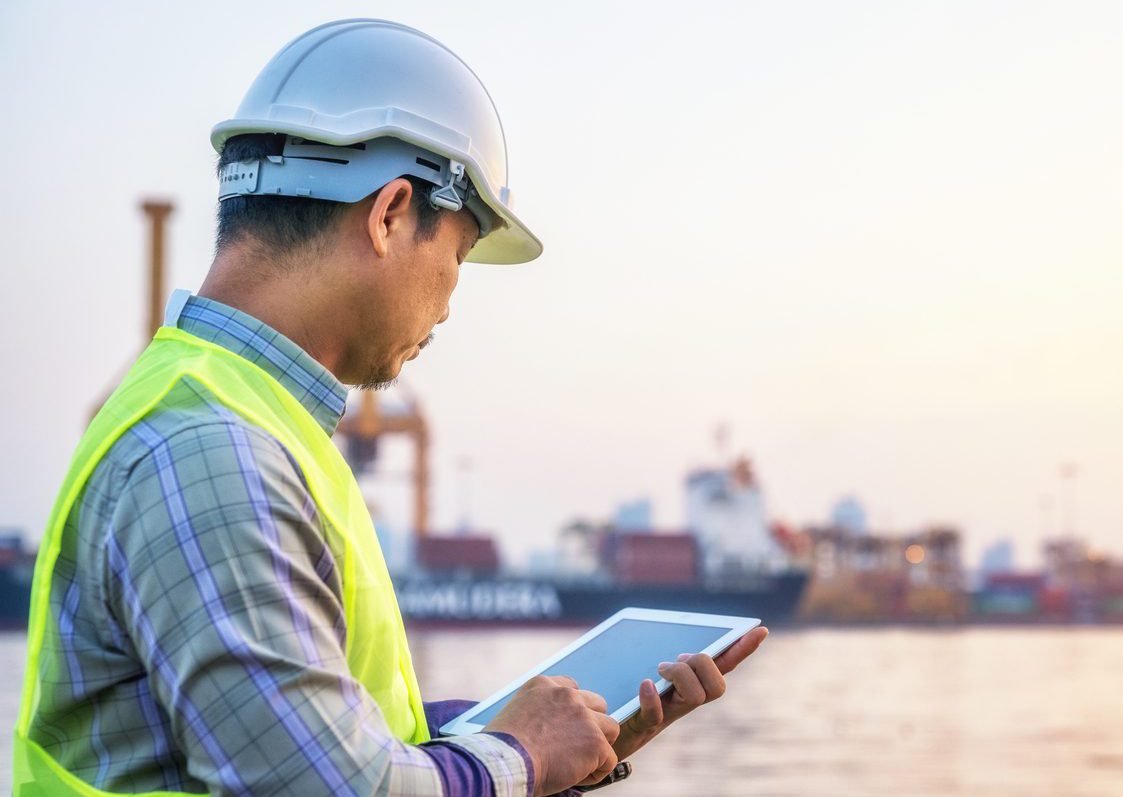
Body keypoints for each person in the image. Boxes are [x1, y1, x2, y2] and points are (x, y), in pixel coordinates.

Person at [12, 19, 768, 797]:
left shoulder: (233, 418)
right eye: (458, 255)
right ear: (390, 214)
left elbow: (344, 738)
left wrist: (567, 737)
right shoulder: (213, 448)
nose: (449, 302)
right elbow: (332, 787)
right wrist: (525, 754)